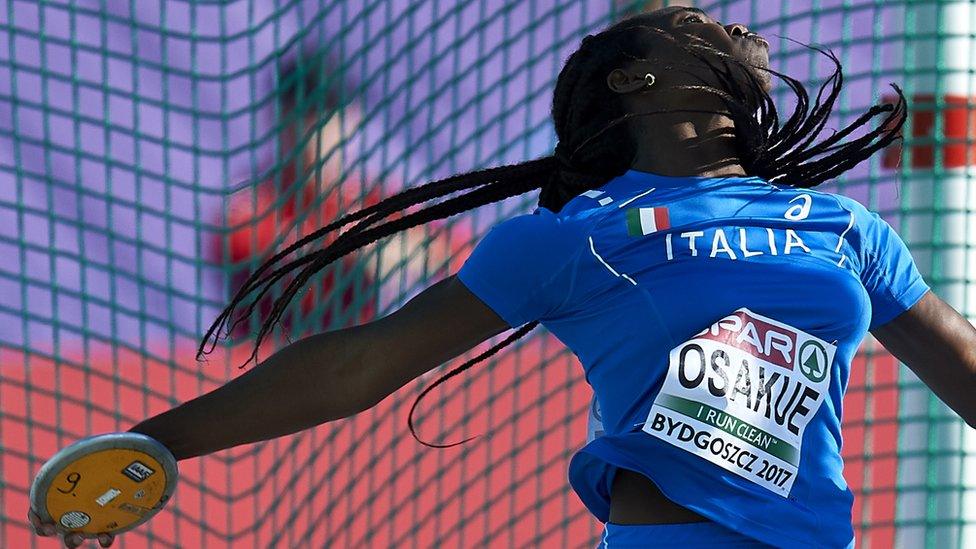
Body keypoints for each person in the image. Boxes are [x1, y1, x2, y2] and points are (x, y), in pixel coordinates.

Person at [30, 6, 976, 548]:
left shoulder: (842, 227)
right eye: (691, 26)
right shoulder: (572, 238)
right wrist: (151, 443)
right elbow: (358, 364)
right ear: (631, 83)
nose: (727, 25)